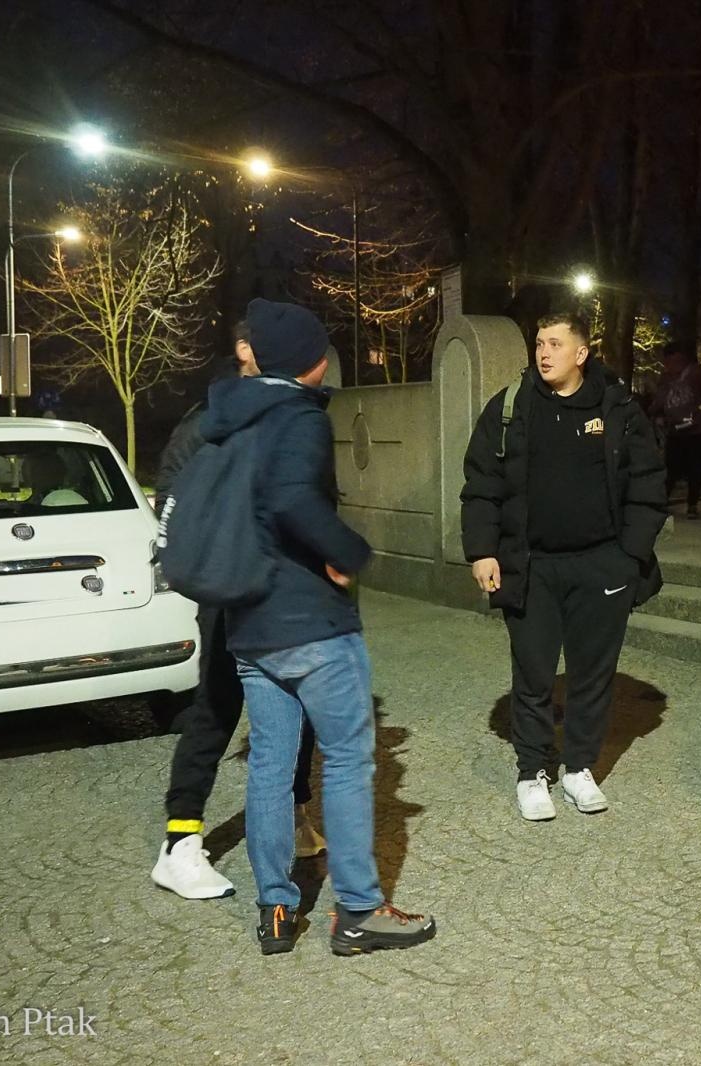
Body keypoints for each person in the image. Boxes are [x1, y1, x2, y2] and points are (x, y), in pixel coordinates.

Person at [197, 298, 435, 956]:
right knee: (349, 765)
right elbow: (294, 499)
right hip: (312, 622)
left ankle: (276, 908)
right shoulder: (296, 417)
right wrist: (346, 551)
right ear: (312, 360)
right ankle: (359, 910)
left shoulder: (230, 417)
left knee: (271, 767)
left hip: (251, 623)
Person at [461, 312, 668, 822]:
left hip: (602, 565)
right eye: (538, 342)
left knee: (592, 674)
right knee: (532, 673)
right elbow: (482, 483)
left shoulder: (617, 407)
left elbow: (648, 481)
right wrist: (482, 550)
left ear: (582, 353)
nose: (543, 352)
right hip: (530, 565)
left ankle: (578, 766)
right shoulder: (511, 408)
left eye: (554, 343)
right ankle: (532, 770)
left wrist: (630, 557)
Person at [148, 320, 323, 903]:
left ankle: (294, 815)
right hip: (230, 593)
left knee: (298, 709)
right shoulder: (209, 420)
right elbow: (172, 502)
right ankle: (179, 843)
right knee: (216, 709)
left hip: (284, 592)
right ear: (247, 350)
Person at [650, 342, 701, 519]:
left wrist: (653, 412)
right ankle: (692, 505)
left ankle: (662, 502)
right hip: (699, 428)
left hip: (676, 429)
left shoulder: (666, 377)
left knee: (672, 468)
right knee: (696, 469)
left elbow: (659, 401)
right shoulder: (696, 371)